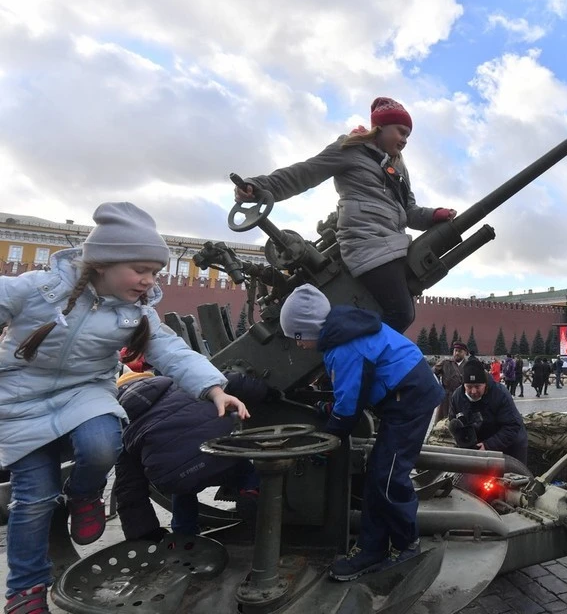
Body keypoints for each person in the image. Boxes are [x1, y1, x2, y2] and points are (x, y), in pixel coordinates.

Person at [0, 202, 249, 614]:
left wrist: (214, 389)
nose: (150, 281)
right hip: (21, 399)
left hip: (85, 392)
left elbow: (173, 353)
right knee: (32, 501)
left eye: (155, 271)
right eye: (141, 270)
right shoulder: (39, 291)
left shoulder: (137, 314)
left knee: (102, 444)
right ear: (103, 263)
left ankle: (84, 493)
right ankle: (25, 590)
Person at [235, 97, 457, 333]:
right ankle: (353, 357)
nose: (404, 140)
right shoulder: (350, 149)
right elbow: (304, 173)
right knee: (401, 313)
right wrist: (257, 187)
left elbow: (409, 212)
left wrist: (435, 215)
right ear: (380, 127)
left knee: (397, 312)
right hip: (366, 242)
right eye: (401, 132)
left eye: (408, 136)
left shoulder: (398, 167)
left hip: (392, 245)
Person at [279, 284, 442, 581]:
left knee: (389, 478)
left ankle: (407, 547)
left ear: (309, 330)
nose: (298, 345)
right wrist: (330, 410)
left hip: (410, 400)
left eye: (298, 337)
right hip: (401, 398)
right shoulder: (342, 333)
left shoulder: (343, 347)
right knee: (377, 477)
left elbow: (349, 407)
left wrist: (326, 443)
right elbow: (350, 394)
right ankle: (372, 547)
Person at [113, 370, 269, 541]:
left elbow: (128, 488)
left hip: (178, 474)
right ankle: (250, 491)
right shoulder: (186, 383)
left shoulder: (125, 425)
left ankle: (184, 535)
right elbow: (232, 380)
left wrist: (145, 535)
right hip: (220, 452)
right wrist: (268, 392)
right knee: (242, 467)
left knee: (182, 492)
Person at [448, 358, 527, 464]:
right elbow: (454, 420)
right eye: (469, 387)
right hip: (479, 443)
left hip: (510, 444)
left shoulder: (500, 394)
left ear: (485, 384)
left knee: (508, 478)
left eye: (477, 386)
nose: (473, 391)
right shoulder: (457, 397)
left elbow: (513, 426)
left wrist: (488, 445)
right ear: (464, 385)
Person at [433, 341, 468, 420]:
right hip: (446, 398)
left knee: (459, 422)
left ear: (465, 353)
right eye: (455, 351)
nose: (457, 353)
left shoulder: (468, 366)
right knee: (441, 423)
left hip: (461, 398)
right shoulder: (445, 363)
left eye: (460, 351)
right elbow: (432, 374)